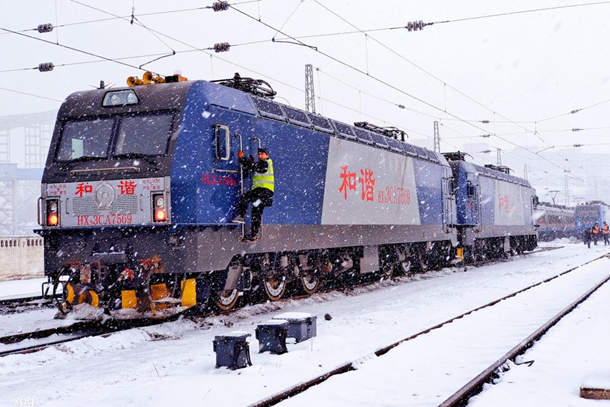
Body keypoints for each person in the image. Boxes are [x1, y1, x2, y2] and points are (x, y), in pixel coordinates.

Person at [231, 147, 274, 243]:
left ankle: (241, 216)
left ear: (267, 155)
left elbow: (253, 167)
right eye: (259, 154)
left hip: (262, 192)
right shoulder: (265, 163)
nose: (260, 155)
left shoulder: (265, 163)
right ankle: (254, 235)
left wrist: (243, 159)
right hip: (264, 195)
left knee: (246, 198)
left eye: (262, 154)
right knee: (256, 212)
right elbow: (254, 167)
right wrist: (251, 162)